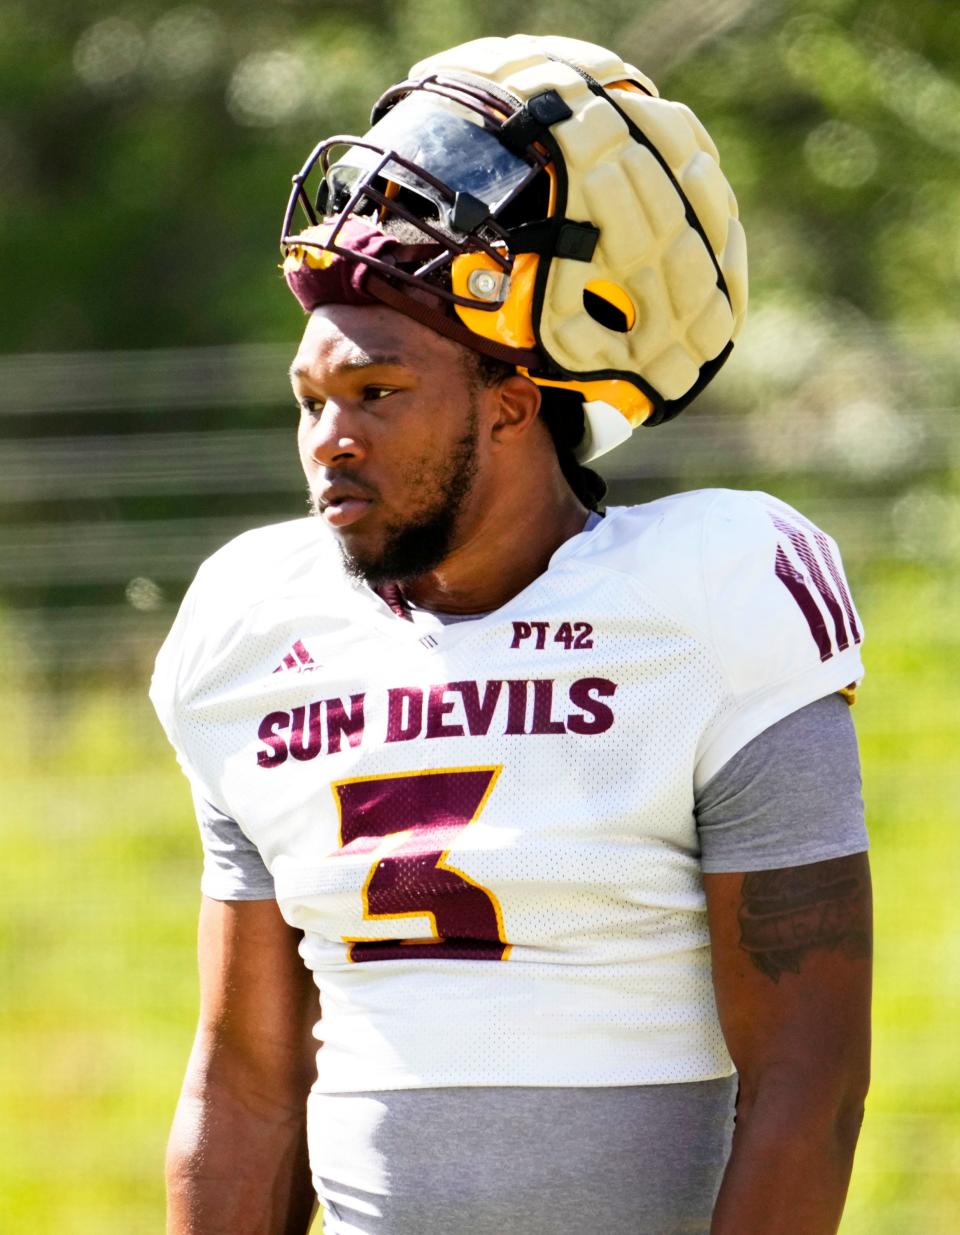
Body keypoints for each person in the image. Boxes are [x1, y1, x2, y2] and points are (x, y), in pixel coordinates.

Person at [151, 33, 871, 1235]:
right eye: (312, 400)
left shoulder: (709, 597)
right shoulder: (250, 628)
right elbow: (249, 1085)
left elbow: (809, 1080)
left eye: (378, 393)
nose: (330, 438)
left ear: (512, 401)